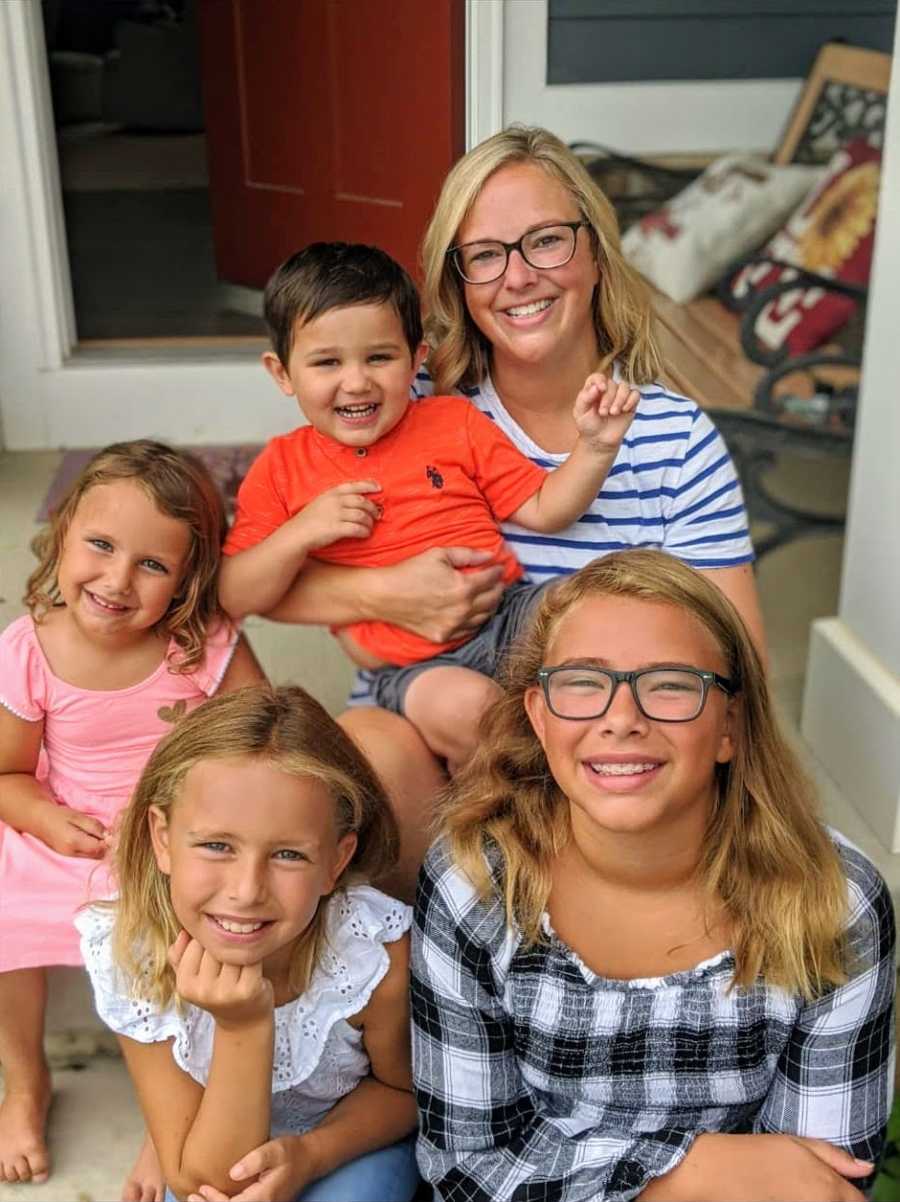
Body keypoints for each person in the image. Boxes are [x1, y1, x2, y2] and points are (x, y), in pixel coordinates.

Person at [260, 126, 767, 898]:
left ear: (595, 252)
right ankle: (432, 984)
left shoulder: (672, 437)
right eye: (486, 255)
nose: (518, 277)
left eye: (546, 242)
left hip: (606, 731)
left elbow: (738, 660)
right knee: (361, 756)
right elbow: (271, 581)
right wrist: (382, 595)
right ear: (458, 280)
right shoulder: (403, 406)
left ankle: (563, 921)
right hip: (426, 713)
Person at [411, 549, 895, 1202]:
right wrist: (685, 1173)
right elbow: (467, 1170)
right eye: (583, 682)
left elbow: (818, 1185)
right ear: (539, 716)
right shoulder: (474, 884)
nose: (621, 717)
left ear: (730, 725)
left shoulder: (835, 904)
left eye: (670, 684)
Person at [219, 241, 638, 771]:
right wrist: (300, 533)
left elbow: (544, 507)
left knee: (599, 613)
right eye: (327, 362)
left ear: (416, 357)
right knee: (469, 710)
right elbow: (233, 594)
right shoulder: (281, 469)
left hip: (509, 613)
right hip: (413, 666)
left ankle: (589, 768)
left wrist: (596, 446)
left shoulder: (451, 423)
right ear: (282, 373)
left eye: (380, 357)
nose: (357, 381)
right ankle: (503, 814)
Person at [0, 440, 264, 1194]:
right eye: (101, 546)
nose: (117, 579)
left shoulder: (203, 647)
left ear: (187, 579)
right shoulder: (30, 649)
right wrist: (48, 821)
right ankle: (25, 1081)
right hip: (68, 828)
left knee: (174, 923)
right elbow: (8, 775)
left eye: (152, 565)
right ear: (61, 538)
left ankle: (167, 1116)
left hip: (175, 836)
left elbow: (260, 746)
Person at [76, 685, 420, 1202]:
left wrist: (311, 1155)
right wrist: (244, 1026)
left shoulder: (370, 954)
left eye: (288, 855)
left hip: (346, 1137)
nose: (246, 890)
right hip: (213, 1141)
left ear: (336, 860)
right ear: (163, 839)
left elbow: (404, 1093)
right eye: (217, 846)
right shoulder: (133, 951)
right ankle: (163, 1131)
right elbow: (211, 1182)